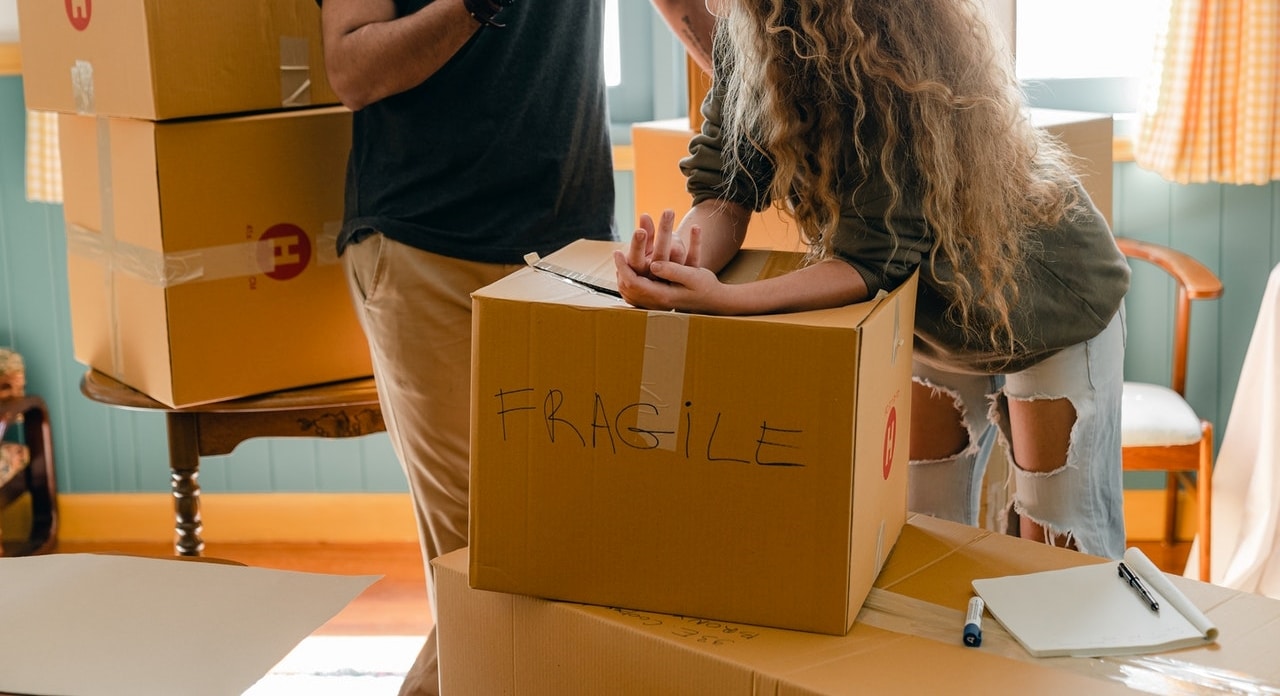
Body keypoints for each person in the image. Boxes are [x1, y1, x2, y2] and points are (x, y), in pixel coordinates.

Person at [614, 0, 1132, 560]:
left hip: (1044, 300)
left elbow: (871, 262)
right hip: (930, 310)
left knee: (1058, 545)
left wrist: (730, 301)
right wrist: (685, 261)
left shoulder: (887, 55)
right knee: (923, 530)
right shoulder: (752, 33)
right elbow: (725, 191)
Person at [318, 1, 712, 693]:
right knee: (486, 558)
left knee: (553, 555)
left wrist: (772, 101)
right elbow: (352, 69)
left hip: (570, 246)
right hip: (426, 244)